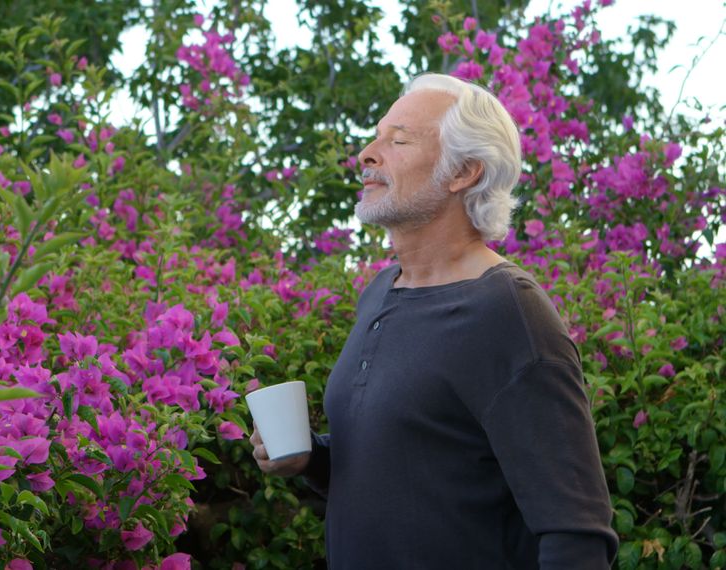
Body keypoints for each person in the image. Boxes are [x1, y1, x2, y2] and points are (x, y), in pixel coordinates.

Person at [249, 73, 618, 569]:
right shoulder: (382, 291)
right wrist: (311, 459)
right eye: (377, 135)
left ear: (463, 171)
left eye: (398, 140)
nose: (368, 153)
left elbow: (577, 537)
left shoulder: (508, 312)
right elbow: (414, 467)